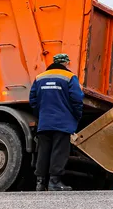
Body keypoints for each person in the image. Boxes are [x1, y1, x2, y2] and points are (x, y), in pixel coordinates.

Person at [29, 53, 84, 191]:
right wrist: (77, 116)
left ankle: (40, 183)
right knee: (59, 151)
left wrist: (41, 114)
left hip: (44, 122)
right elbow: (77, 100)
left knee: (43, 151)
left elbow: (33, 101)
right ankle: (54, 182)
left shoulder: (39, 78)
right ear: (66, 63)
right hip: (62, 123)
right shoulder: (70, 77)